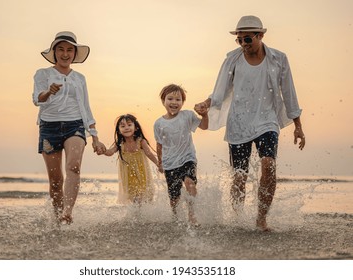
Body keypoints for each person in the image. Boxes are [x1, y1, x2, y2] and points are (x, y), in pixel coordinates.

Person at [195, 16, 306, 231]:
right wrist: (206, 103)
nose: (243, 44)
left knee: (269, 165)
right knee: (239, 175)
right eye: (239, 40)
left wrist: (298, 126)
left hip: (267, 120)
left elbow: (289, 92)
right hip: (239, 123)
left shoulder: (278, 59)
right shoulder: (232, 60)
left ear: (260, 36)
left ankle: (261, 218)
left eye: (247, 39)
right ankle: (238, 219)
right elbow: (219, 91)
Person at [32, 31, 106, 225]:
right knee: (56, 181)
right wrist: (49, 91)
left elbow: (86, 107)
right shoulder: (43, 74)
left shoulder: (80, 78)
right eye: (61, 50)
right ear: (54, 52)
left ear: (74, 53)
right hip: (49, 127)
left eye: (69, 50)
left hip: (75, 126)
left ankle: (67, 212)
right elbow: (37, 99)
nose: (65, 54)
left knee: (74, 167)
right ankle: (58, 220)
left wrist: (95, 135)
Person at [154, 84, 208, 225]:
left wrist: (205, 115)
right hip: (170, 163)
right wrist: (160, 162)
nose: (174, 102)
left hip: (187, 158)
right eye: (170, 98)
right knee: (174, 197)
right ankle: (176, 217)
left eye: (178, 99)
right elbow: (159, 145)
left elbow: (204, 126)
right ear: (163, 101)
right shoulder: (159, 123)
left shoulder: (187, 115)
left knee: (190, 184)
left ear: (182, 102)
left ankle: (192, 215)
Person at [103, 114, 160, 204]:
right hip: (128, 177)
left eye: (129, 125)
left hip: (142, 174)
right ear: (119, 130)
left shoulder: (141, 141)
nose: (126, 128)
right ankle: (136, 216)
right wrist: (102, 150)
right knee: (134, 199)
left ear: (136, 127)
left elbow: (149, 154)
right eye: (123, 126)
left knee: (145, 197)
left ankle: (147, 215)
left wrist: (158, 163)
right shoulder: (120, 143)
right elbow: (110, 152)